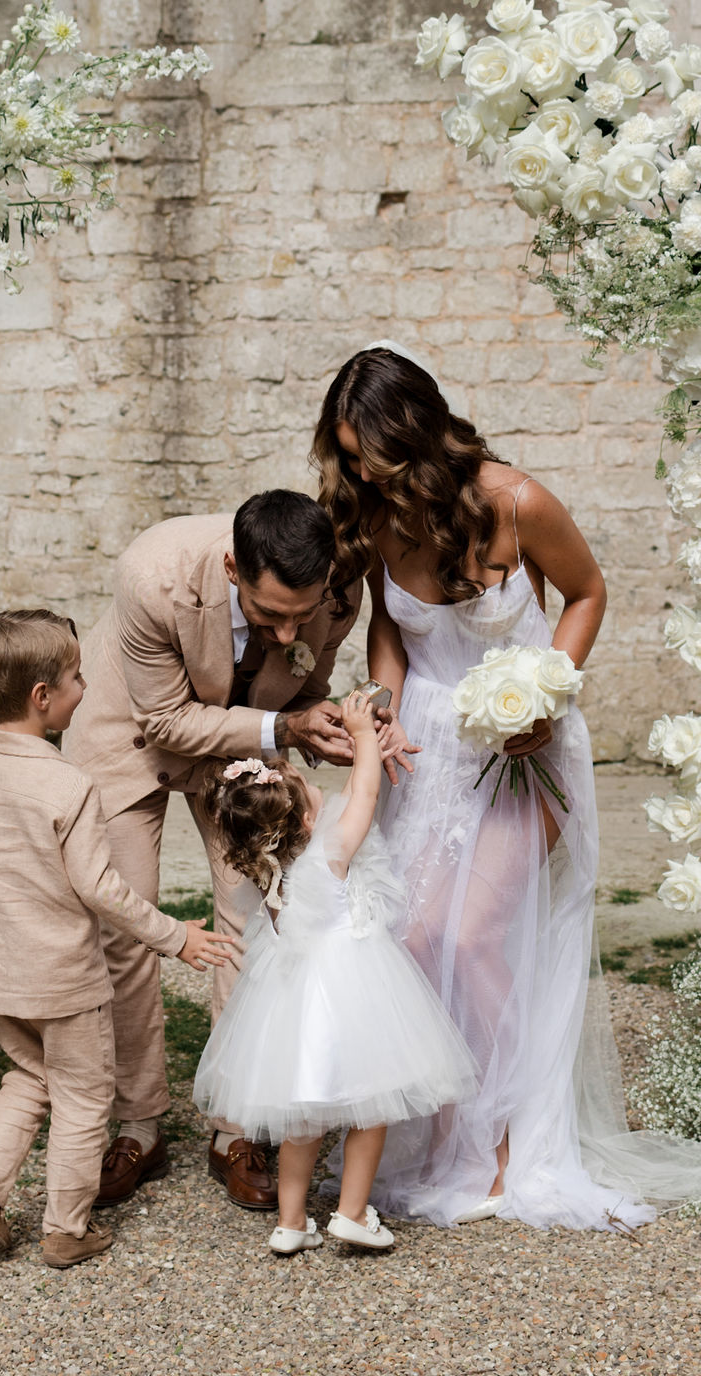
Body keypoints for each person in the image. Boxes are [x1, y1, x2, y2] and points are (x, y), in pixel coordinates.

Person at [312, 341, 701, 1230]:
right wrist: (381, 705)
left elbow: (589, 592)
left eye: (369, 451)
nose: (359, 470)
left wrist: (548, 692)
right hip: (428, 752)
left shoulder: (514, 501)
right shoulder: (376, 515)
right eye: (346, 453)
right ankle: (439, 1125)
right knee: (411, 936)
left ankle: (502, 1143)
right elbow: (392, 630)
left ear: (416, 435)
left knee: (475, 935)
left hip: (518, 748)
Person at [63, 490, 363, 1211]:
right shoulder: (151, 576)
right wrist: (284, 731)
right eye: (270, 616)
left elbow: (307, 683)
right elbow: (165, 719)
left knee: (257, 921)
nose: (292, 626)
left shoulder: (339, 591)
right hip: (131, 737)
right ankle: (138, 1123)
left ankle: (237, 1127)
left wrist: (318, 724)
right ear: (232, 568)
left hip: (242, 750)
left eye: (304, 612)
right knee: (126, 932)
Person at [0, 610, 233, 1269]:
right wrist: (174, 936)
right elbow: (103, 889)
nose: (86, 687)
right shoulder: (68, 782)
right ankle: (67, 1227)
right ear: (43, 698)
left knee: (31, 1073)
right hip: (64, 977)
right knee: (87, 1094)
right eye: (75, 676)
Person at [193, 694, 476, 1255]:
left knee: (302, 1121)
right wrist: (361, 732)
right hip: (355, 993)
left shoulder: (265, 871)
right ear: (305, 818)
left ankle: (291, 1222)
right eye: (310, 788)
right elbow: (367, 788)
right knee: (371, 1109)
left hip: (293, 1004)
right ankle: (350, 1214)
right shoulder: (332, 850)